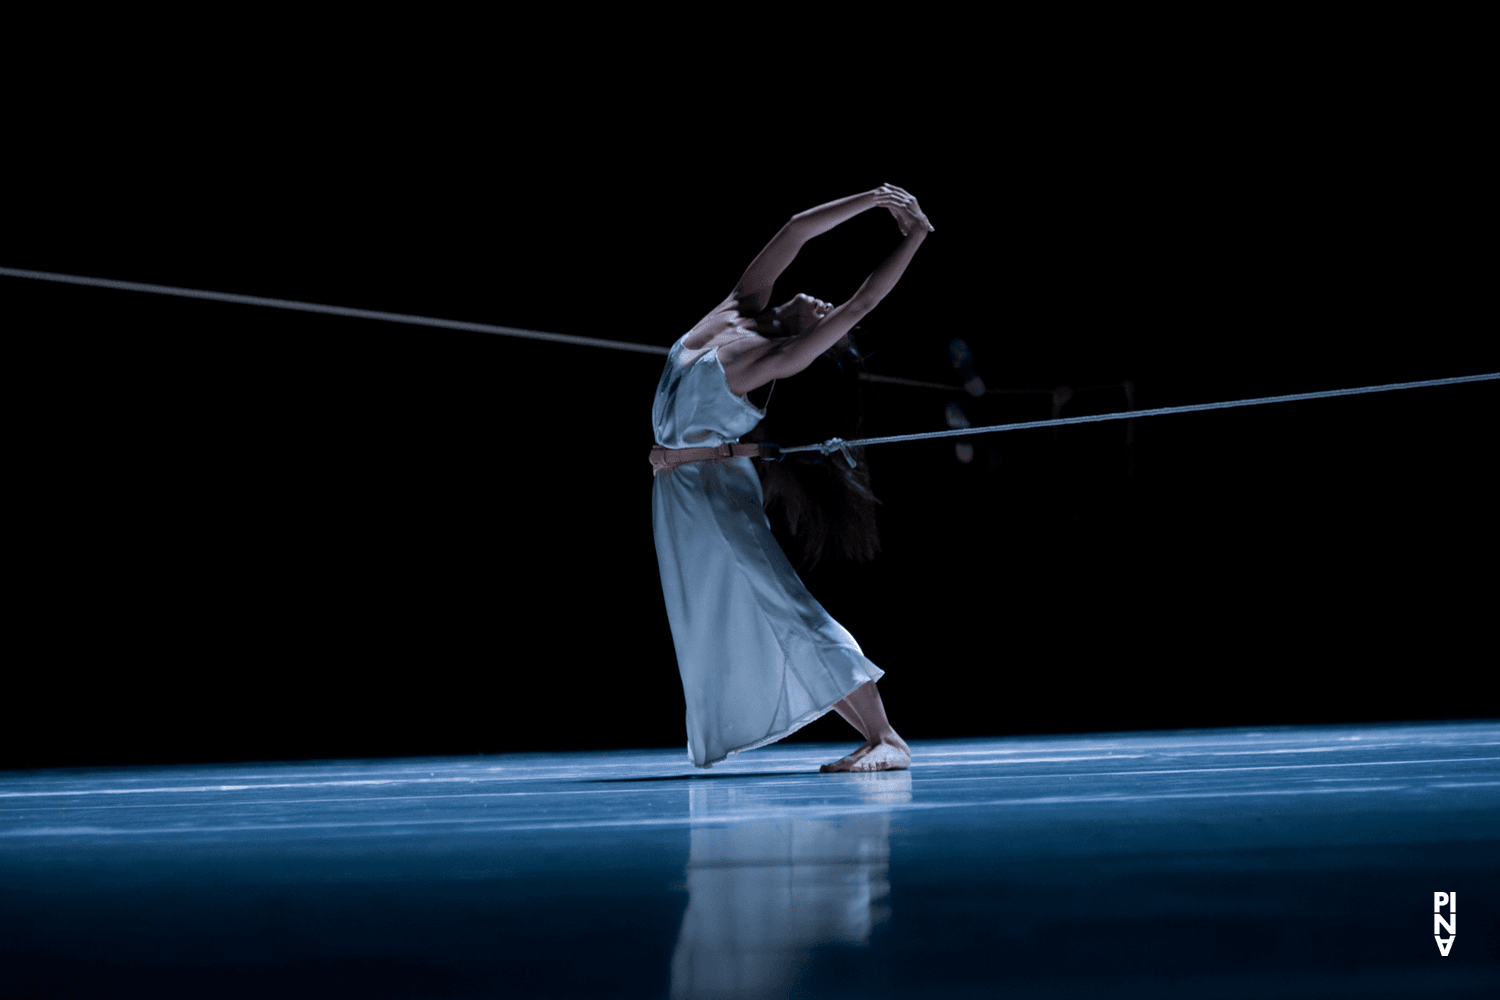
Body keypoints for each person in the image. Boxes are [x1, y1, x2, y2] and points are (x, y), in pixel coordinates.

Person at [650, 183, 932, 772]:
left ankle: (886, 737)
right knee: (732, 614)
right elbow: (796, 230)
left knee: (785, 605)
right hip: (678, 495)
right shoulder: (739, 305)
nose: (829, 309)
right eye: (823, 307)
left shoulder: (771, 360)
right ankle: (876, 734)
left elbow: (860, 304)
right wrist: (872, 201)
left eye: (830, 323)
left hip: (711, 494)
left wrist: (915, 237)